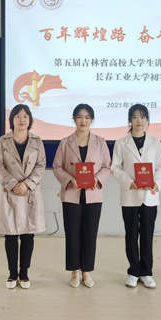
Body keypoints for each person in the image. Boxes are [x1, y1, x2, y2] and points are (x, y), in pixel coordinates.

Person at [53, 104, 111, 288]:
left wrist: (96, 178)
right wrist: (70, 179)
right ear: (74, 119)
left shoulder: (100, 142)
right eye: (79, 117)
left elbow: (107, 166)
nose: (83, 121)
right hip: (72, 193)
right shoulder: (65, 142)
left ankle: (86, 271)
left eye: (87, 117)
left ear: (92, 120)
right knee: (72, 234)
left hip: (93, 194)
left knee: (89, 233)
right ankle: (74, 271)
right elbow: (57, 167)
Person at [111, 104, 161, 289]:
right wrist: (129, 182)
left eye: (142, 117)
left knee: (147, 235)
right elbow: (115, 168)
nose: (139, 121)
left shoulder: (155, 142)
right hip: (130, 194)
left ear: (147, 120)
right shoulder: (121, 143)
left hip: (149, 195)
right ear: (130, 120)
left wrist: (156, 183)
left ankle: (146, 272)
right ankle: (133, 272)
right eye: (135, 117)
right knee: (131, 234)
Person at [0, 104, 46, 289]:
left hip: (29, 193)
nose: (22, 119)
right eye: (17, 116)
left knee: (27, 235)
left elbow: (41, 165)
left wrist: (27, 184)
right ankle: (12, 274)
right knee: (10, 235)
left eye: (25, 116)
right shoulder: (3, 140)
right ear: (12, 120)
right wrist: (13, 184)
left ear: (30, 120)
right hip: (10, 192)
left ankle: (24, 274)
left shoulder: (37, 141)